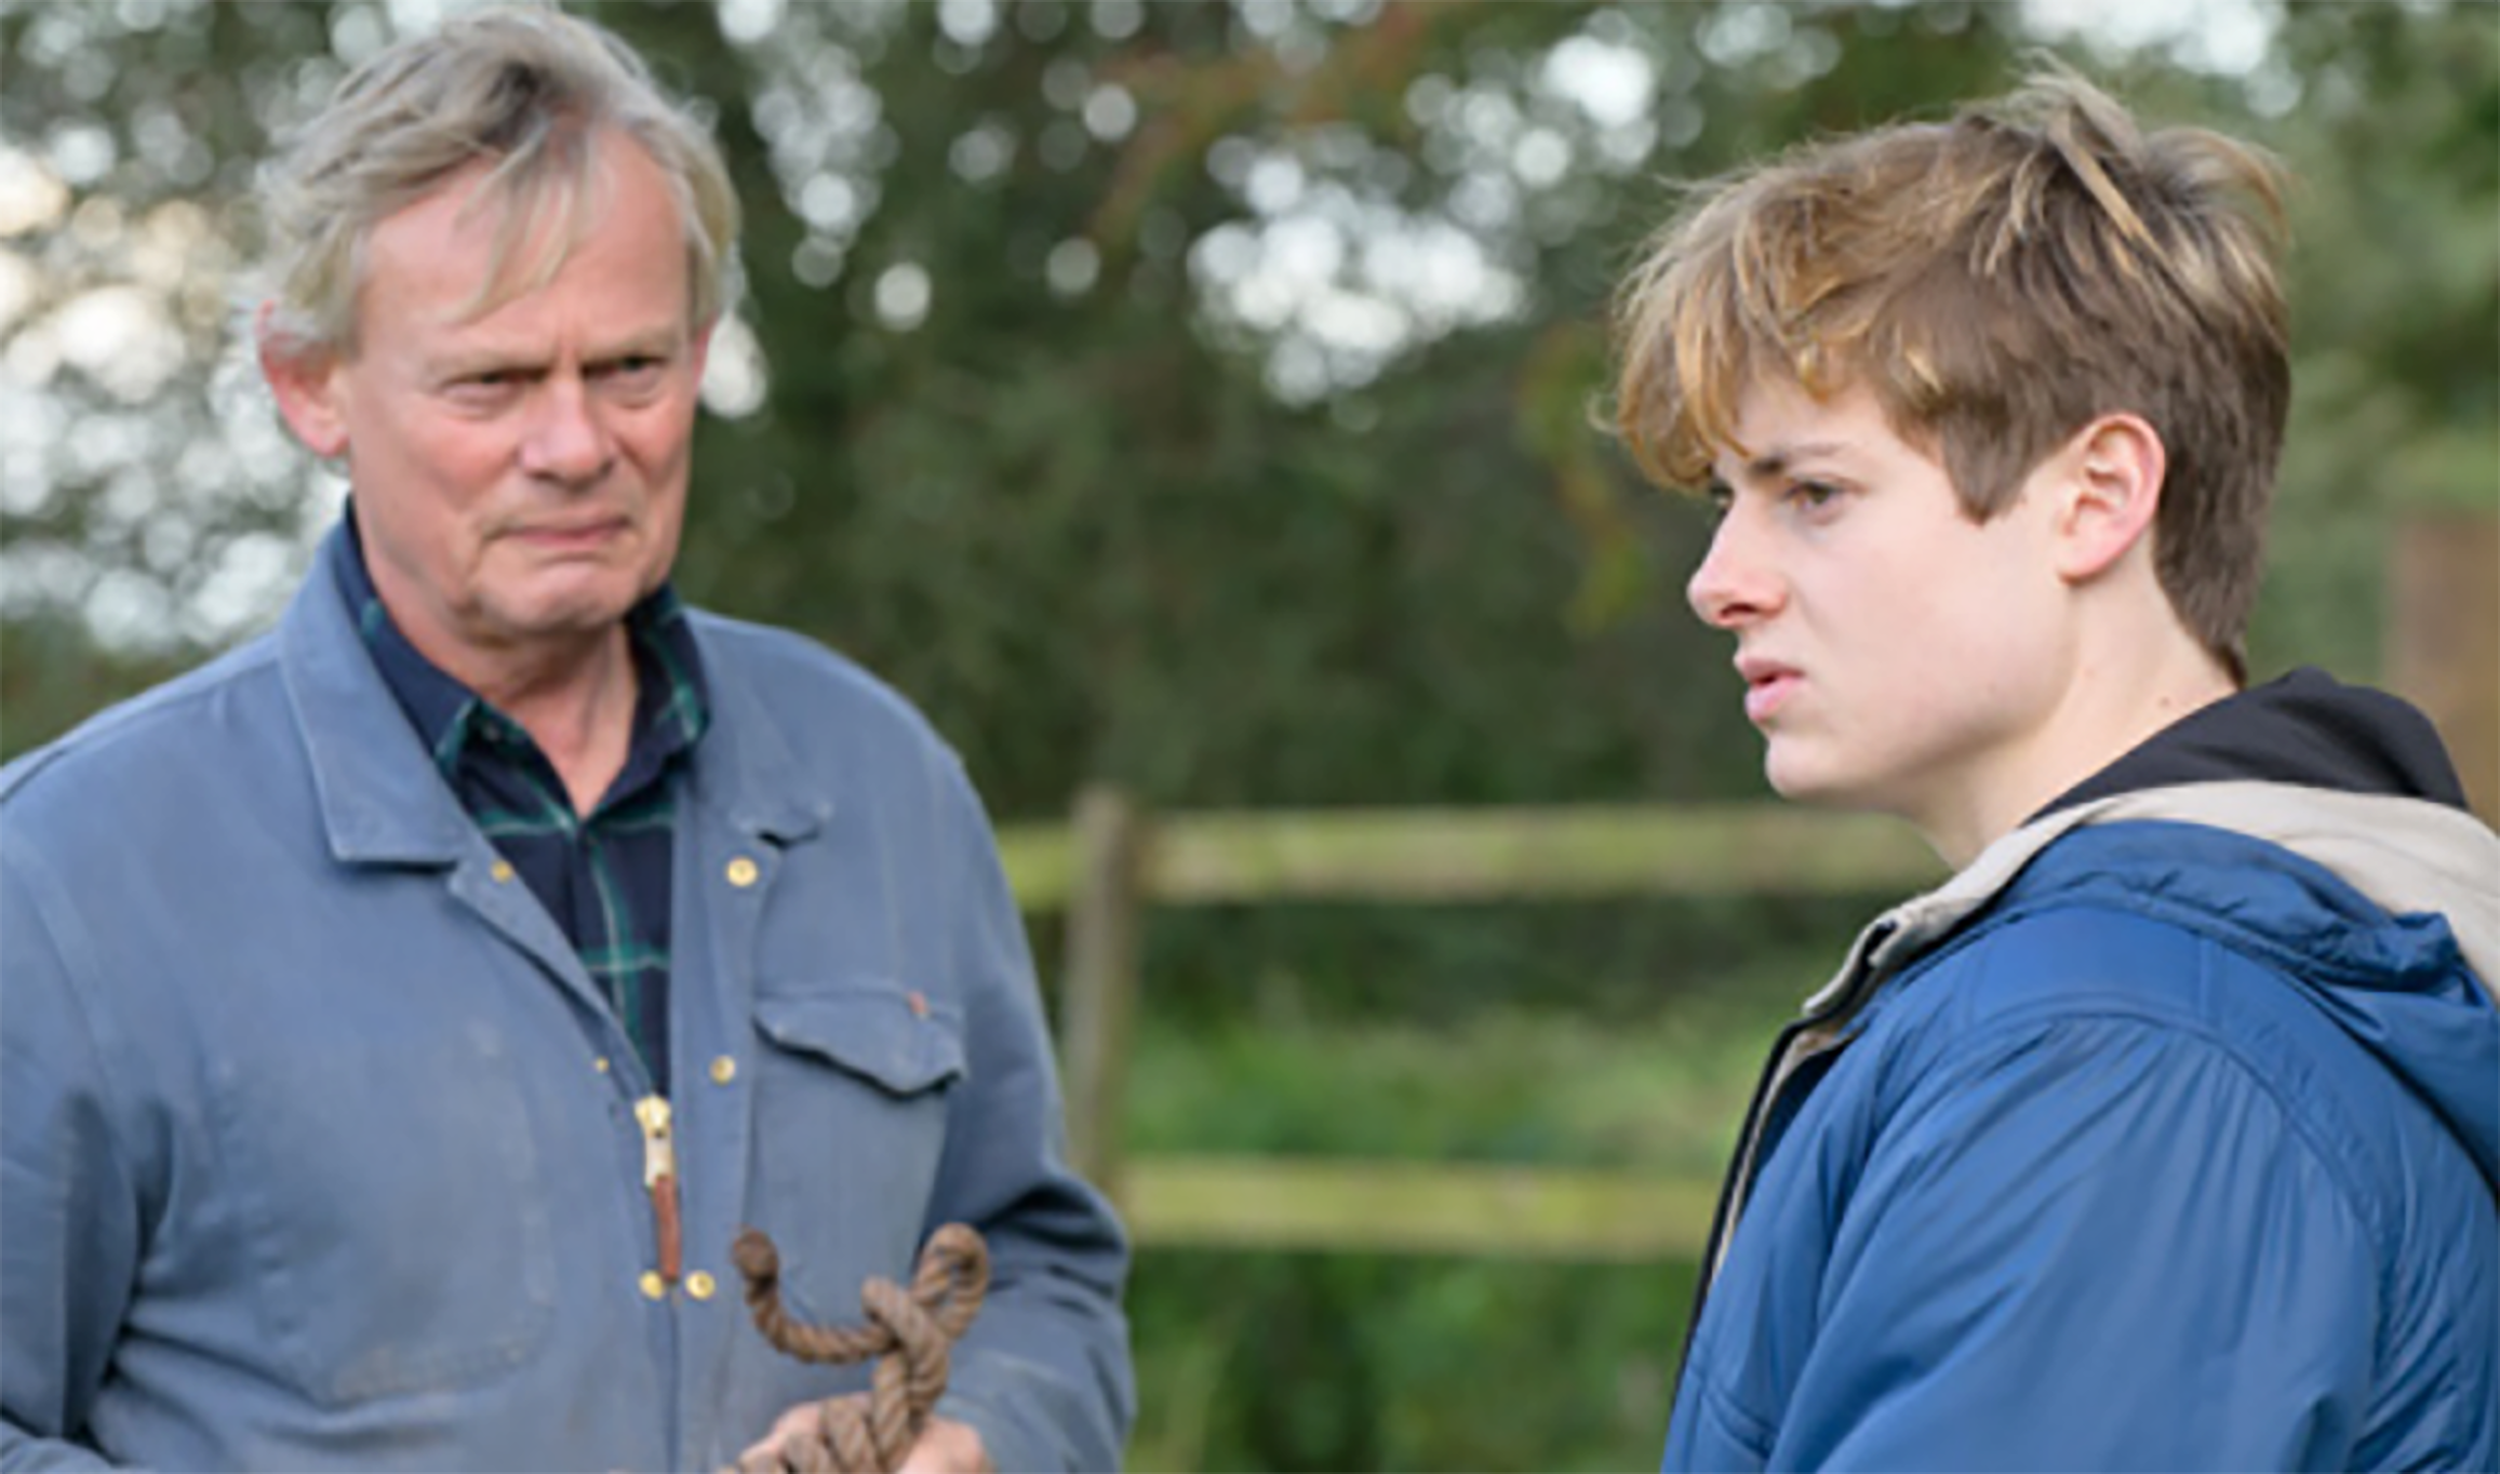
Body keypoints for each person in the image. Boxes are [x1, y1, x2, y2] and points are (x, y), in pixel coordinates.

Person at [0, 7, 1131, 1472]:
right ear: (310, 383)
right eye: (493, 381)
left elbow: (1038, 1272)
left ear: (704, 349)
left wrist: (980, 1438)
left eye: (632, 370)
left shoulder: (882, 781)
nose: (577, 445)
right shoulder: (70, 874)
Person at [1611, 72, 2500, 1470]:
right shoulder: (2165, 993)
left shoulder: (2117, 1054)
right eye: (1728, 501)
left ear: (2093, 499)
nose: (1719, 583)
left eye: (1814, 493)